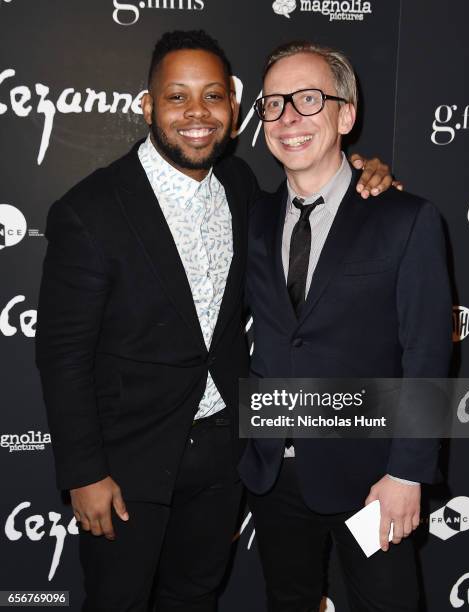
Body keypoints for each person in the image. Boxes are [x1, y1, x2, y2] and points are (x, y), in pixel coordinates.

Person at [35, 30, 395, 612]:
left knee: (196, 598)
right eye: (176, 97)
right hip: (127, 468)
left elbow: (317, 194)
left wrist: (362, 171)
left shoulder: (241, 186)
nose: (196, 113)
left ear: (232, 107)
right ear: (148, 106)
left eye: (212, 97)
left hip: (225, 458)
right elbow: (62, 355)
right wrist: (84, 473)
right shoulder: (90, 210)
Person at [239, 41, 452, 612]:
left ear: (346, 114)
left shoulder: (405, 220)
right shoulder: (253, 218)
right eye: (275, 103)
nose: (289, 118)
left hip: (371, 481)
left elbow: (428, 353)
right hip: (273, 476)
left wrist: (407, 473)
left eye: (309, 99)